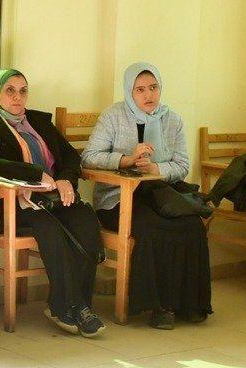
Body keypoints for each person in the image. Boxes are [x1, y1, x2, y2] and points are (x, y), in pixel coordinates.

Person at [0, 67, 105, 337]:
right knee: (50, 228)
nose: (17, 97)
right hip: (9, 203)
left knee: (86, 221)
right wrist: (34, 173)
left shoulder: (38, 122)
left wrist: (65, 179)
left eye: (23, 91)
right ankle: (66, 308)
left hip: (51, 198)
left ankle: (81, 306)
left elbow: (71, 156)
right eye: (10, 91)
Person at [82, 62, 211, 329]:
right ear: (129, 92)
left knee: (192, 225)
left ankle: (189, 304)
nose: (148, 95)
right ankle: (159, 306)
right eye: (140, 89)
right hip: (118, 199)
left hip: (160, 194)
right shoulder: (113, 116)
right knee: (153, 228)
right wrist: (127, 160)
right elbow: (89, 158)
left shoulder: (172, 119)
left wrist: (156, 169)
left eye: (153, 87)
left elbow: (182, 165)